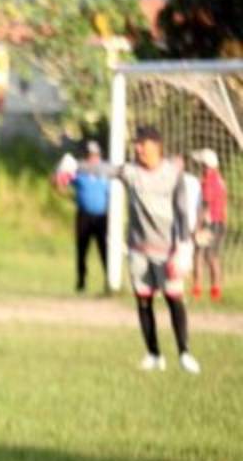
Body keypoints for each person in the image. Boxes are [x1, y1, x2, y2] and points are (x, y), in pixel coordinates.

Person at [115, 125, 200, 374]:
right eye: (137, 144)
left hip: (167, 251)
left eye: (142, 143)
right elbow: (105, 169)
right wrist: (74, 167)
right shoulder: (130, 172)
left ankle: (184, 353)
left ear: (156, 146)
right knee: (143, 300)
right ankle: (153, 355)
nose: (138, 148)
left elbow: (182, 211)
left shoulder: (172, 174)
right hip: (138, 249)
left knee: (174, 299)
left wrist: (183, 245)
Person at [54, 141, 112, 293]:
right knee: (82, 249)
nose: (92, 158)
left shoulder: (105, 172)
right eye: (89, 155)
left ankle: (110, 281)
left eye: (95, 155)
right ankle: (81, 282)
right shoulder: (78, 171)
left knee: (104, 249)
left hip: (102, 217)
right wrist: (69, 196)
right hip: (84, 216)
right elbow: (59, 182)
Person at [191, 147, 228, 302]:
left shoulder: (208, 181)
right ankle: (215, 290)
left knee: (200, 255)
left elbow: (205, 206)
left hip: (210, 222)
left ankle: (198, 289)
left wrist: (197, 226)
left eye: (201, 164)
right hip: (220, 221)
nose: (199, 167)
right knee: (212, 255)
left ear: (206, 165)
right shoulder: (219, 179)